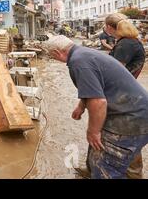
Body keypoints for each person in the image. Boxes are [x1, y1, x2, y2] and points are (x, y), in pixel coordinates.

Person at [44, 35, 148, 179]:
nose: (52, 58)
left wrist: (93, 131)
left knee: (107, 166)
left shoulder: (78, 62)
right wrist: (81, 105)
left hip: (130, 118)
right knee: (121, 153)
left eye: (51, 55)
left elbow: (98, 102)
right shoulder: (83, 53)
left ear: (57, 52)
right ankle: (94, 171)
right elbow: (95, 88)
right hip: (138, 111)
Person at [104, 13, 146, 178]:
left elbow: (116, 70)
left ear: (110, 27)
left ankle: (134, 173)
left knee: (129, 133)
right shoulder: (131, 42)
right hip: (127, 91)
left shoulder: (125, 45)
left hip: (122, 93)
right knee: (112, 129)